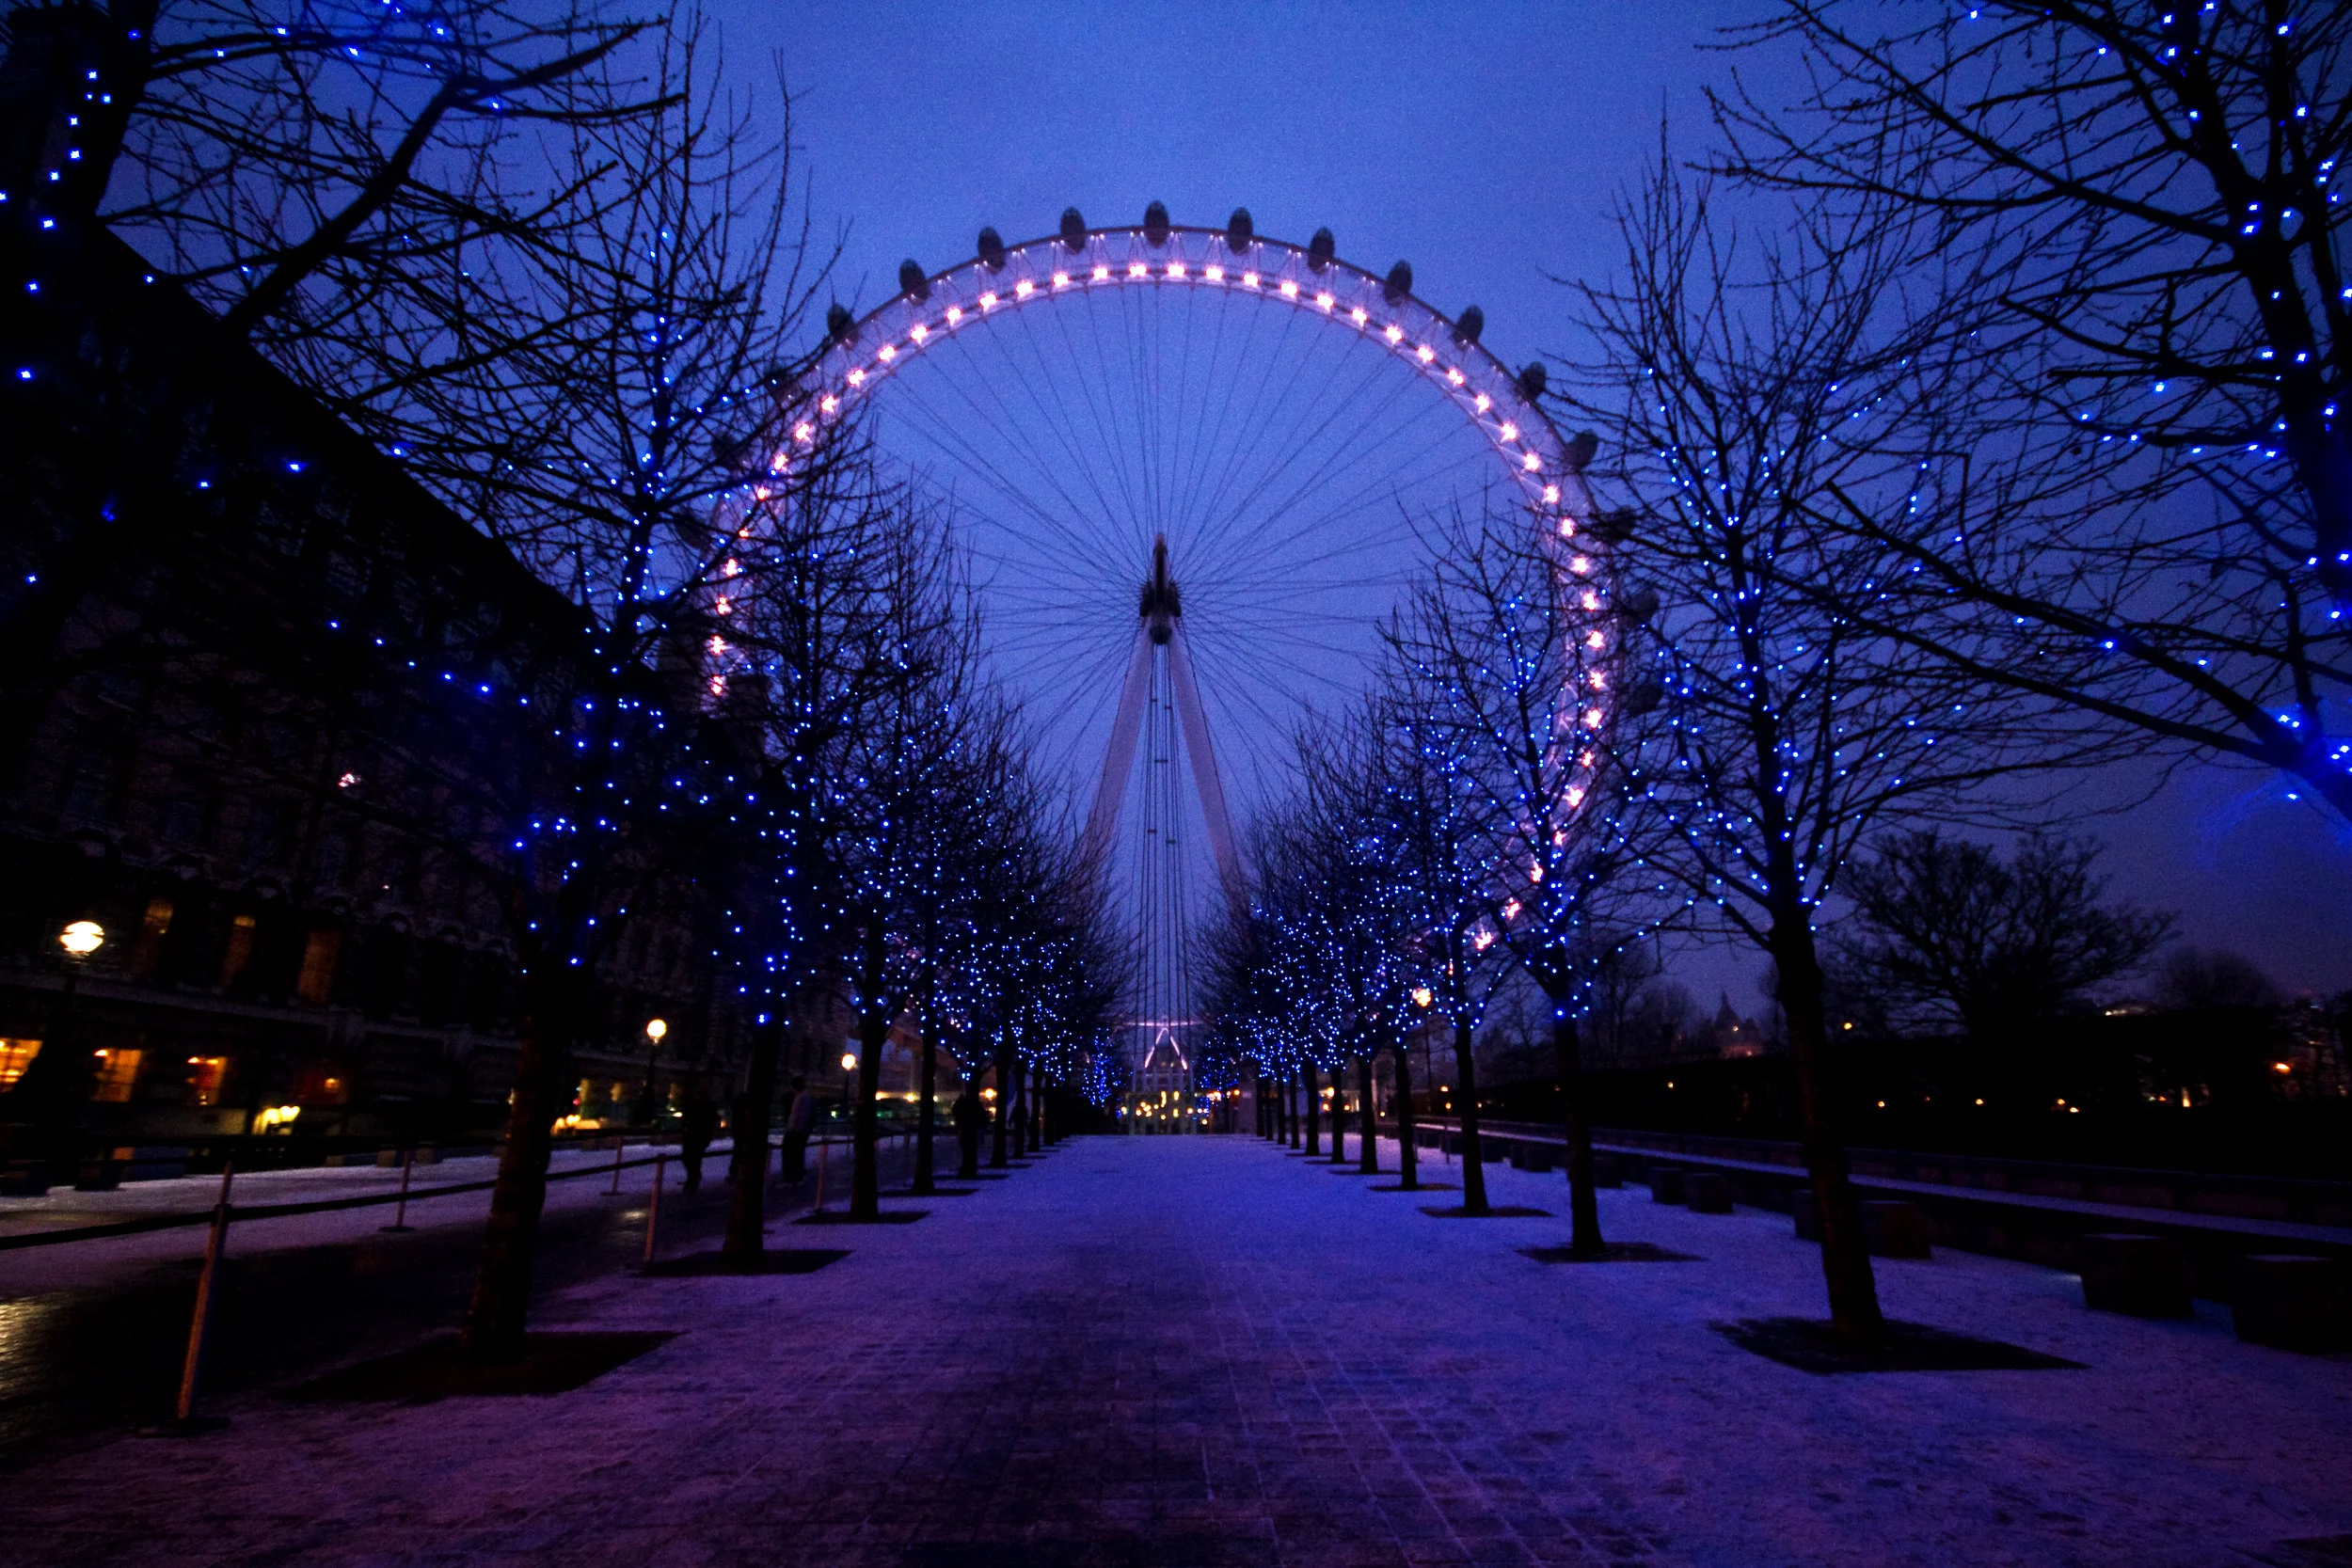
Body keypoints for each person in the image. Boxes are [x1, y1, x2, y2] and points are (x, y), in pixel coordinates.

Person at [677, 1080, 719, 1193]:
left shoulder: (705, 1107)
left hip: (698, 1136)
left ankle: (693, 1180)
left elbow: (711, 1121)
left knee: (693, 1159)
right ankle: (693, 1178)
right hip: (693, 1136)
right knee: (690, 1158)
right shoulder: (696, 1106)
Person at [779, 1074, 815, 1183]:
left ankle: (790, 1177)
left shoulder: (800, 1098)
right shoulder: (805, 1098)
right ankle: (797, 1175)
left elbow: (797, 1116)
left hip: (795, 1131)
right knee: (798, 1154)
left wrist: (792, 1128)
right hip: (801, 1131)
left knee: (790, 1154)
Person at [952, 1084, 983, 1180]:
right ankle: (970, 1169)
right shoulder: (975, 1103)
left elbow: (956, 1112)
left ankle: (966, 1169)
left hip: (965, 1128)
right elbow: (981, 1115)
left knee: (966, 1150)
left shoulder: (960, 1103)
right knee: (971, 1150)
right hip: (971, 1129)